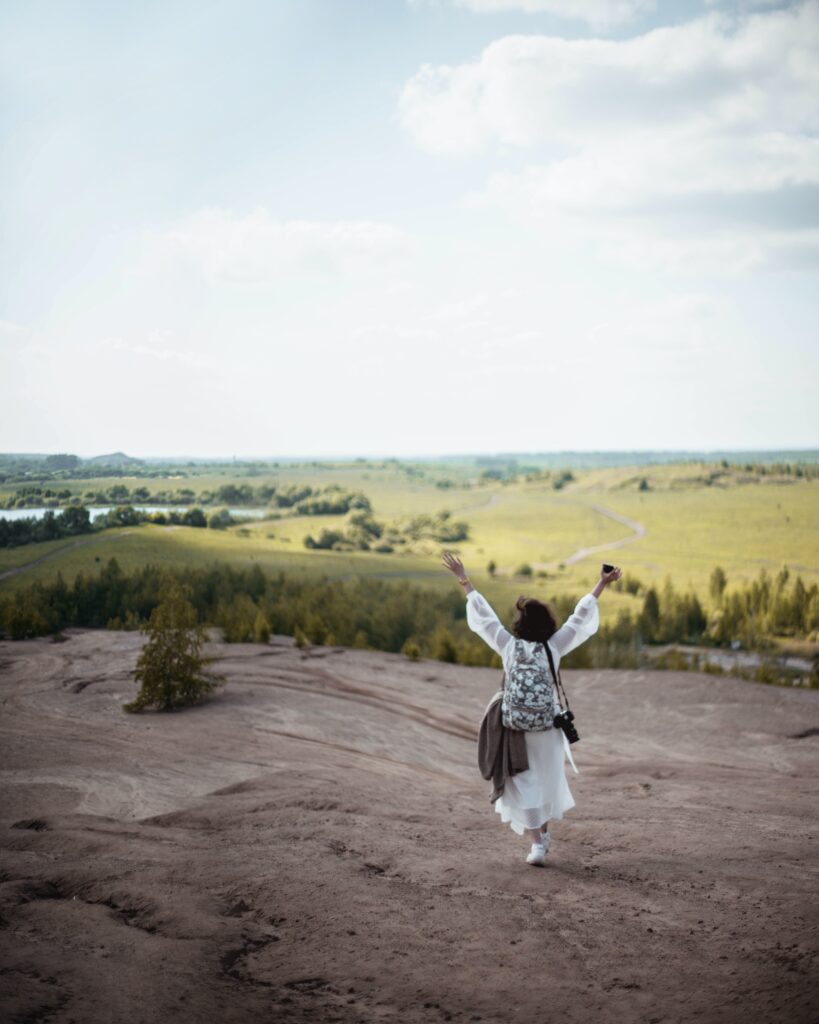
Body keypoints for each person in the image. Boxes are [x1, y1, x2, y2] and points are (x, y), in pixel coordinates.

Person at [442, 550, 622, 866]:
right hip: (548, 727)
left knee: (525, 783)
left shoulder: (509, 646)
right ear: (547, 625)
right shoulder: (554, 647)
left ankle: (537, 844)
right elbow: (579, 618)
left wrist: (464, 579)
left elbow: (485, 618)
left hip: (517, 728)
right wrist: (601, 584)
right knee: (546, 781)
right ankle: (543, 836)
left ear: (520, 624)